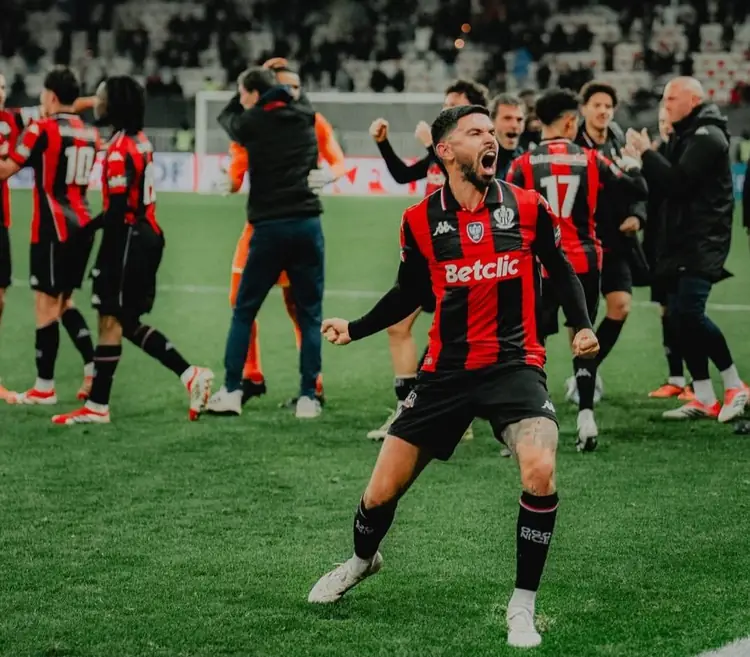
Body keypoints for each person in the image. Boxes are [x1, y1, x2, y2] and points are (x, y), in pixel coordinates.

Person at [307, 104, 599, 649]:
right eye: (475, 132)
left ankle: (522, 605)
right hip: (444, 374)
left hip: (514, 366)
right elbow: (411, 292)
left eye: (492, 131)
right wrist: (357, 327)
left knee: (540, 469)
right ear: (445, 151)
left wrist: (582, 325)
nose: (491, 139)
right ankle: (361, 561)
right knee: (378, 495)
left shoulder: (527, 207)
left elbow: (560, 269)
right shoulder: (419, 220)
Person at [50, 77, 214, 425]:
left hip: (128, 239)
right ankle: (188, 375)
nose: (97, 101)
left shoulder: (120, 149)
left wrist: (84, 236)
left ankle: (99, 406)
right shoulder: (139, 141)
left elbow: (117, 210)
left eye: (102, 96)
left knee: (111, 318)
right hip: (143, 236)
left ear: (115, 104)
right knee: (121, 322)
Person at [507, 88, 647, 451]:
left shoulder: (522, 164)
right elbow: (637, 187)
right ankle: (586, 418)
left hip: (538, 267)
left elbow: (506, 214)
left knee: (532, 342)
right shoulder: (591, 159)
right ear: (571, 122)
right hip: (583, 263)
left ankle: (528, 419)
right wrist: (634, 164)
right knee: (583, 336)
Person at [366, 78, 489, 441]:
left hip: (461, 254)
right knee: (398, 325)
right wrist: (383, 143)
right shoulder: (441, 150)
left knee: (452, 339)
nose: (445, 109)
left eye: (454, 105)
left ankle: (453, 415)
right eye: (445, 103)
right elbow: (404, 175)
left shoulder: (478, 154)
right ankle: (408, 410)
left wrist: (430, 145)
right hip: (428, 251)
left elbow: (469, 181)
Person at [222, 61, 346, 407]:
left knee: (295, 308)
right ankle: (252, 376)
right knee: (239, 300)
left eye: (295, 86)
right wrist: (229, 180)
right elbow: (237, 168)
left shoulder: (309, 119)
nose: (291, 91)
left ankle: (312, 386)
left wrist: (331, 174)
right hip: (273, 225)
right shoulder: (264, 120)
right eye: (284, 85)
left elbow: (338, 160)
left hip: (272, 223)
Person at [624, 76, 747, 421]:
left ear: (693, 101)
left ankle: (735, 384)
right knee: (678, 317)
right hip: (680, 241)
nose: (665, 105)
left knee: (690, 313)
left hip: (702, 240)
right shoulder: (687, 135)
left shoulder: (708, 136)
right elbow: (665, 185)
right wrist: (642, 164)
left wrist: (646, 153)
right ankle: (704, 396)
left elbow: (678, 183)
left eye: (671, 98)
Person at [0, 66, 99, 405]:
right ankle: (93, 366)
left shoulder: (41, 129)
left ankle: (44, 387)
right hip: (83, 224)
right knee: (64, 301)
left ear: (51, 96)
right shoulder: (90, 133)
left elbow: (6, 169)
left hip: (52, 227)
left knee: (45, 304)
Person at [643, 106, 694, 401]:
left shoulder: (681, 157)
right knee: (666, 310)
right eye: (661, 121)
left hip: (681, 247)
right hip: (658, 247)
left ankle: (697, 381)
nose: (666, 126)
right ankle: (676, 378)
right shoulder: (656, 155)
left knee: (685, 312)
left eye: (669, 120)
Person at [490, 93, 526, 179]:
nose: (514, 125)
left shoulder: (527, 161)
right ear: (492, 121)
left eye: (519, 120)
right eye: (507, 118)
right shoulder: (479, 161)